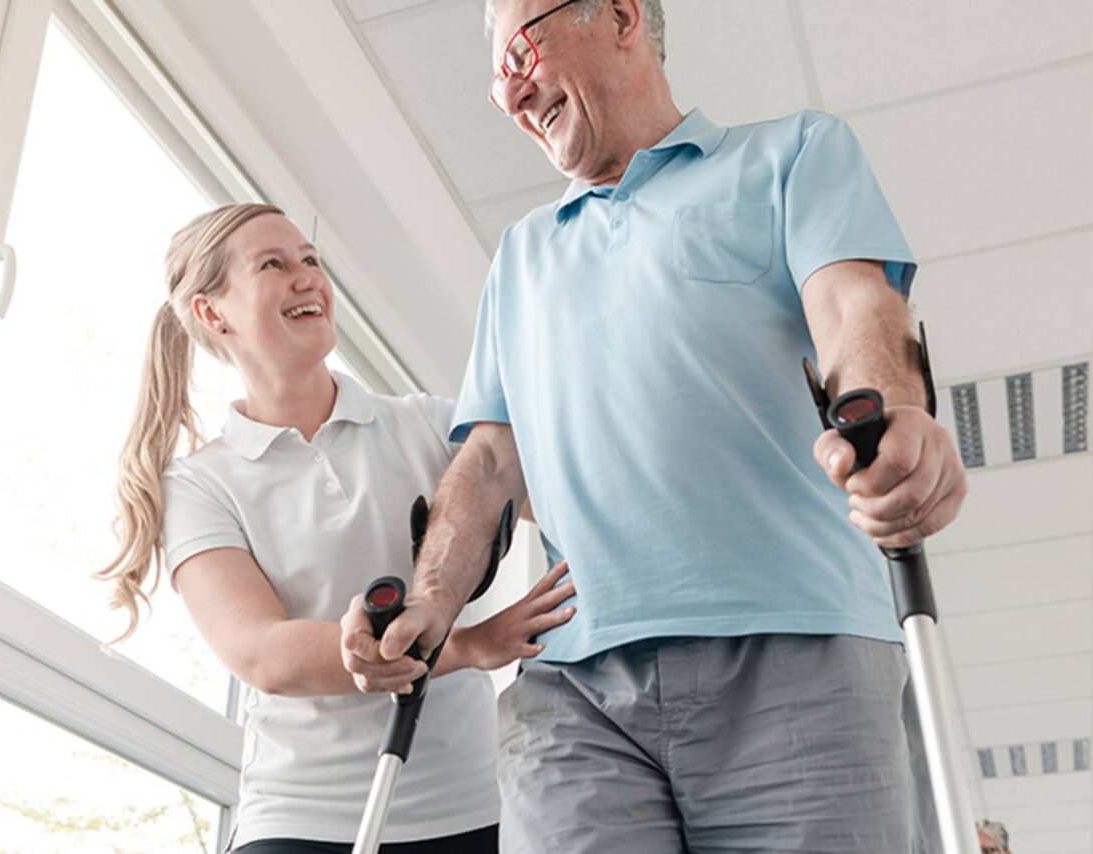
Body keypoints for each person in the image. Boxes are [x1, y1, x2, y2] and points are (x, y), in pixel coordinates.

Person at [340, 1, 971, 851]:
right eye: (497, 81)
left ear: (623, 15)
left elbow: (854, 305)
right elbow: (487, 459)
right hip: (574, 692)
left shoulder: (790, 154)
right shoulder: (521, 256)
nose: (511, 92)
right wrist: (426, 606)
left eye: (520, 51)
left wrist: (891, 416)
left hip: (796, 649)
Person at [97, 203, 576, 853]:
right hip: (303, 822)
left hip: (472, 810)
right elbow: (261, 653)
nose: (307, 278)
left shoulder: (431, 427)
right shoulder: (202, 485)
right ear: (213, 313)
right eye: (273, 264)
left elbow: (574, 497)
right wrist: (464, 646)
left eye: (311, 261)